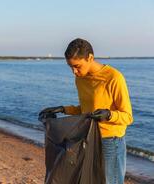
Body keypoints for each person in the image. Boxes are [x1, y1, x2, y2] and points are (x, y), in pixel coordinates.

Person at [40, 38, 133, 184]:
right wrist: (63, 109)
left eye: (77, 66)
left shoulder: (114, 78)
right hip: (88, 139)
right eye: (70, 67)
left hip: (110, 142)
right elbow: (85, 110)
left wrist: (108, 114)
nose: (74, 72)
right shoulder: (80, 79)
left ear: (90, 57)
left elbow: (127, 117)